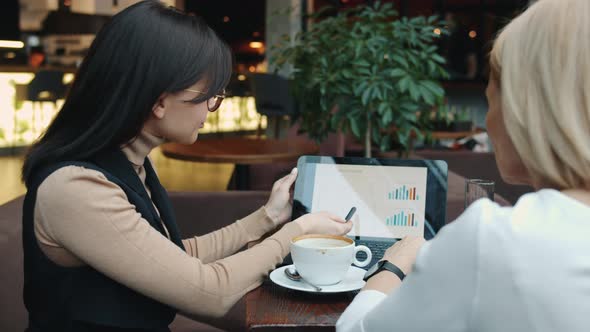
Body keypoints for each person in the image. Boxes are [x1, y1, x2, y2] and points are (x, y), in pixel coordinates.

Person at [20, 2, 352, 331]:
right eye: (210, 95)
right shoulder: (75, 189)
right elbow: (210, 292)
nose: (212, 109)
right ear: (159, 100)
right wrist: (298, 231)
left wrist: (267, 218)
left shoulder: (129, 164)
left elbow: (173, 257)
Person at [337, 0, 590, 331]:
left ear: (524, 108)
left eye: (492, 98)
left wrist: (396, 265)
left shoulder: (495, 239)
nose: (488, 121)